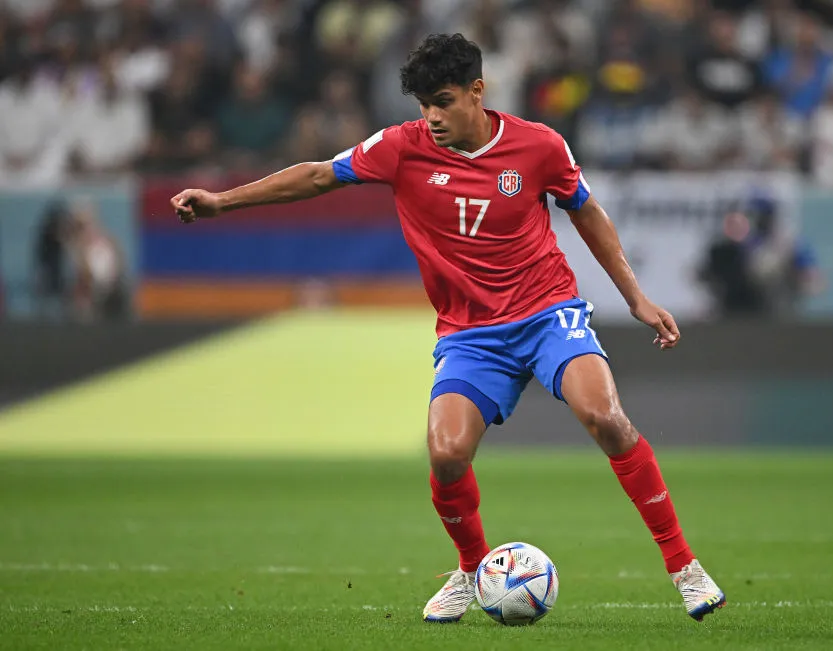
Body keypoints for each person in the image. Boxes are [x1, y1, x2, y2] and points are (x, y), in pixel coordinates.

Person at [171, 33, 725, 624]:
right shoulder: (401, 148)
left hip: (547, 312)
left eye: (442, 101)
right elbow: (315, 176)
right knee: (446, 452)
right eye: (422, 105)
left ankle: (684, 567)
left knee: (605, 417)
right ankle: (472, 570)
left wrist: (635, 298)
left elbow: (585, 211)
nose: (431, 117)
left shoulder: (539, 146)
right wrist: (222, 202)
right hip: (469, 333)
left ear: (476, 92)